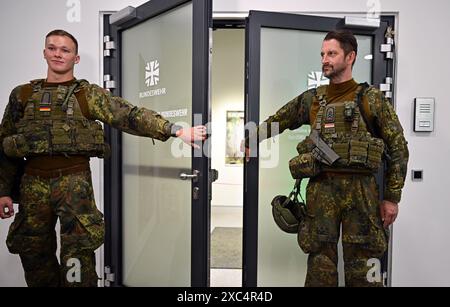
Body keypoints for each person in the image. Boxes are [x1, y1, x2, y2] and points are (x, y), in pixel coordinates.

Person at [0, 29, 206, 287]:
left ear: (75, 58)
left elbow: (129, 115)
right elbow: (5, 143)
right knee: (33, 252)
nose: (58, 54)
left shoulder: (88, 94)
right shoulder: (23, 95)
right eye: (52, 48)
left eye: (65, 50)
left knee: (78, 255)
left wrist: (175, 130)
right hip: (32, 183)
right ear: (44, 53)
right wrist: (3, 191)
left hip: (74, 184)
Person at [243, 30, 409, 287]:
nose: (325, 59)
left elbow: (398, 149)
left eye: (332, 53)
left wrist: (392, 197)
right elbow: (281, 119)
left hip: (362, 193)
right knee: (320, 263)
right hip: (322, 189)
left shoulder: (372, 99)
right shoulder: (313, 99)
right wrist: (253, 137)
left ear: (350, 56)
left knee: (364, 264)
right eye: (322, 54)